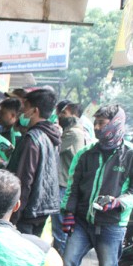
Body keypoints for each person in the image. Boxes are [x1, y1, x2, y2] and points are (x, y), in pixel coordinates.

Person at [47, 105, 133, 266]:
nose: (96, 128)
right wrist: (68, 214)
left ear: (115, 125)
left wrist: (118, 201)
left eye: (101, 124)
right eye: (95, 124)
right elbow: (74, 186)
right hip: (84, 221)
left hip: (112, 225)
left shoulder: (130, 156)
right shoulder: (87, 154)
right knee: (69, 262)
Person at [6, 89, 61, 266]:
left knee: (22, 260)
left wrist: (13, 214)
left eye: (25, 107)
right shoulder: (52, 134)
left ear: (35, 110)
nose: (22, 112)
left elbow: (24, 180)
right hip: (43, 206)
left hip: (28, 209)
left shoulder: (32, 138)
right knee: (34, 256)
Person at [52, 102, 89, 255]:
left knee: (60, 227)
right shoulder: (78, 132)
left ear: (72, 114)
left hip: (63, 185)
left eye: (63, 113)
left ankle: (62, 260)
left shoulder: (73, 133)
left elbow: (54, 148)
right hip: (66, 184)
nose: (60, 116)